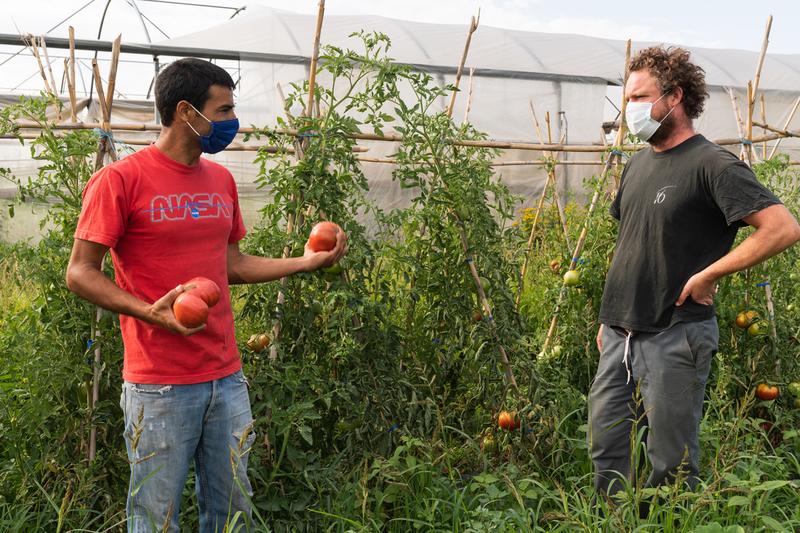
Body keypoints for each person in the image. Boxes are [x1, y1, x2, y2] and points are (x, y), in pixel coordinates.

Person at [65, 58, 347, 532]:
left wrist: (305, 263)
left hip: (226, 377)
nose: (232, 122)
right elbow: (80, 272)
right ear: (185, 112)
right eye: (223, 110)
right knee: (156, 517)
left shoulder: (221, 182)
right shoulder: (120, 180)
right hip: (159, 384)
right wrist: (148, 314)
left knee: (233, 512)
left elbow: (232, 265)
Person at [589, 46, 800, 499]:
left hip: (675, 331)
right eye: (627, 100)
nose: (631, 110)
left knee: (670, 458)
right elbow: (630, 242)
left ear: (675, 97)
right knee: (605, 443)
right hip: (620, 331)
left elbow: (781, 228)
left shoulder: (712, 164)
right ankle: (610, 521)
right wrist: (610, 317)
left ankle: (669, 522)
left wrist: (709, 275)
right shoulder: (637, 165)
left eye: (640, 98)